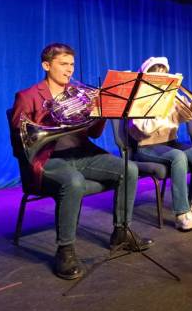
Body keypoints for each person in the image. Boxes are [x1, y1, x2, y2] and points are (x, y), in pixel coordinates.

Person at [10, 43, 150, 281]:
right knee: (73, 182)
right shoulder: (28, 96)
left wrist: (101, 111)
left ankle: (121, 231)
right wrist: (52, 119)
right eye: (63, 64)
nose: (69, 70)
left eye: (72, 64)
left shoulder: (78, 93)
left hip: (82, 154)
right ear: (46, 66)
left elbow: (93, 134)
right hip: (48, 159)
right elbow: (20, 140)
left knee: (129, 168)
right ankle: (65, 250)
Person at [129, 57, 192, 231]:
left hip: (170, 143)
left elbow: (182, 119)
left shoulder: (172, 96)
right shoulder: (140, 99)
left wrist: (188, 110)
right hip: (146, 147)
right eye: (157, 75)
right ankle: (181, 214)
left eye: (164, 75)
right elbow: (144, 129)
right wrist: (161, 108)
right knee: (178, 157)